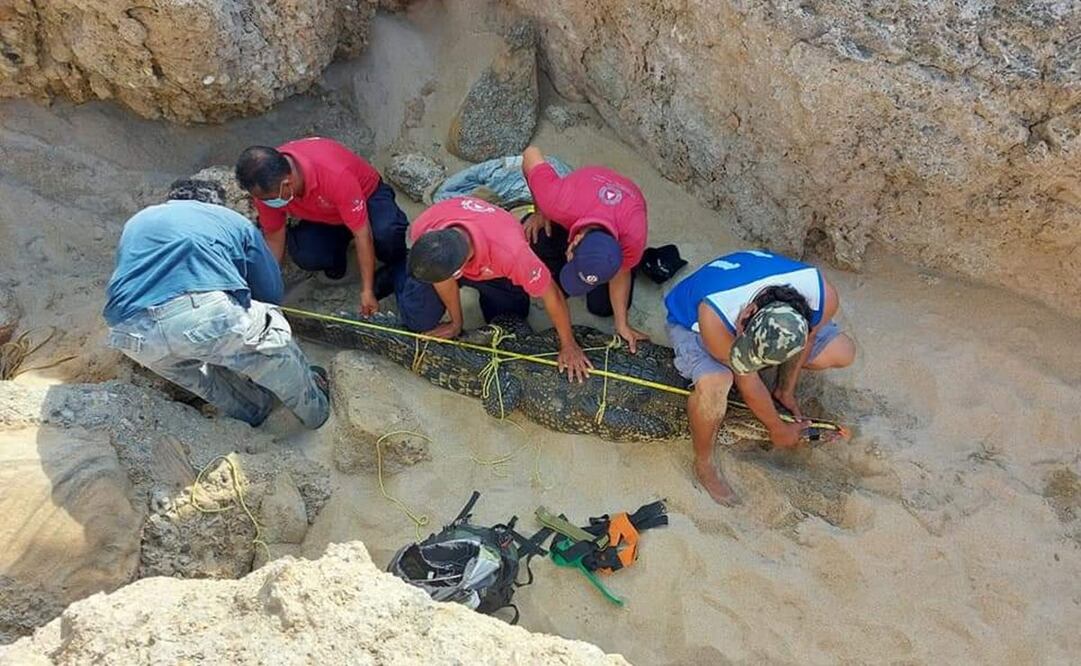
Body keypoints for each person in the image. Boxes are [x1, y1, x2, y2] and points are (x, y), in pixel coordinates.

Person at [103, 179, 330, 429]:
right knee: (274, 337)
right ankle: (315, 411)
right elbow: (269, 292)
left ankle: (257, 411)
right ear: (213, 203)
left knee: (207, 380)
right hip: (197, 314)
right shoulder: (227, 218)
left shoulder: (138, 222)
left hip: (130, 332)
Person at [664, 249, 857, 505]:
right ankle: (703, 462)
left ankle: (775, 383)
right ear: (749, 311)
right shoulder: (714, 315)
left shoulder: (824, 296)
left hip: (756, 306)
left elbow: (808, 340)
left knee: (842, 351)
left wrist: (785, 389)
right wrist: (777, 428)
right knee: (716, 382)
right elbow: (746, 377)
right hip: (691, 323)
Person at [400, 196, 592, 382]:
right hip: (445, 261)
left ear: (459, 270)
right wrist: (455, 323)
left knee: (512, 319)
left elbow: (552, 293)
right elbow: (441, 278)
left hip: (495, 266)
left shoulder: (514, 254)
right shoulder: (426, 228)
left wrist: (568, 344)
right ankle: (395, 273)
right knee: (418, 321)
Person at [235, 138, 408, 315]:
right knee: (307, 255)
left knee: (387, 233)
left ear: (287, 184)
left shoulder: (334, 175)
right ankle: (337, 257)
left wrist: (367, 291)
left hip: (366, 197)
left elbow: (363, 234)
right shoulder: (265, 188)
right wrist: (266, 288)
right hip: (325, 215)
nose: (268, 203)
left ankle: (397, 266)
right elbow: (273, 235)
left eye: (271, 199)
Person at [521, 145, 650, 352]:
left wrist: (621, 324)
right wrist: (540, 210)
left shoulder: (633, 237)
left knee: (602, 307)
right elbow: (530, 154)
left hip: (624, 202)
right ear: (575, 240)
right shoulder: (558, 200)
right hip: (584, 191)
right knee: (534, 244)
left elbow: (622, 271)